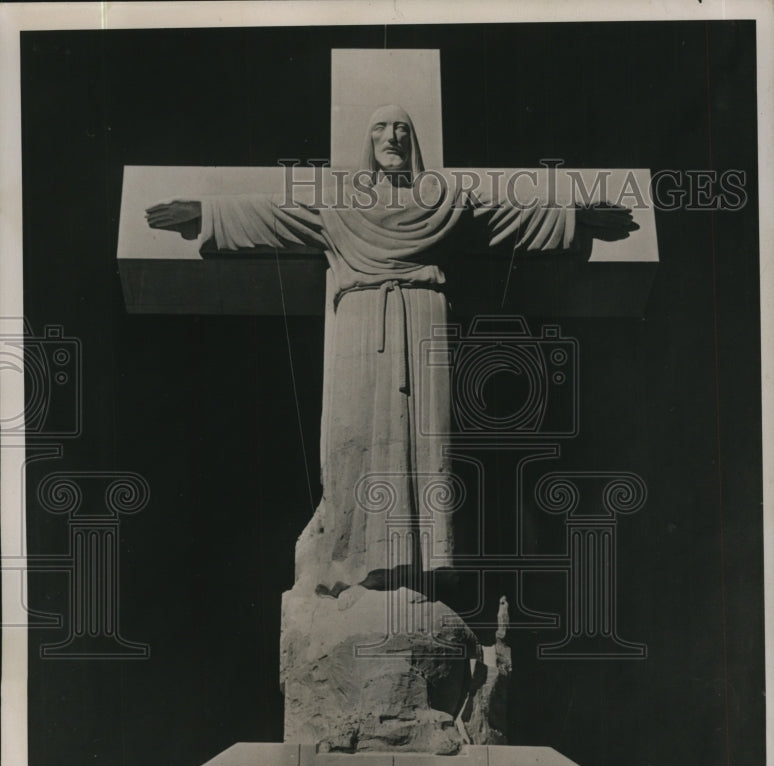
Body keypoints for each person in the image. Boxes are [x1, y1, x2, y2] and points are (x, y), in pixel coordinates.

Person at [146, 105, 635, 599]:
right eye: (381, 127)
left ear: (413, 140)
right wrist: (207, 213)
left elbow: (509, 216)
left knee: (428, 441)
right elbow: (274, 213)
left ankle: (426, 563)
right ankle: (354, 561)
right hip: (359, 325)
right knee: (353, 438)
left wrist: (574, 218)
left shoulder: (445, 205)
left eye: (402, 127)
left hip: (424, 321)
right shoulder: (338, 205)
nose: (392, 136)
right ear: (368, 141)